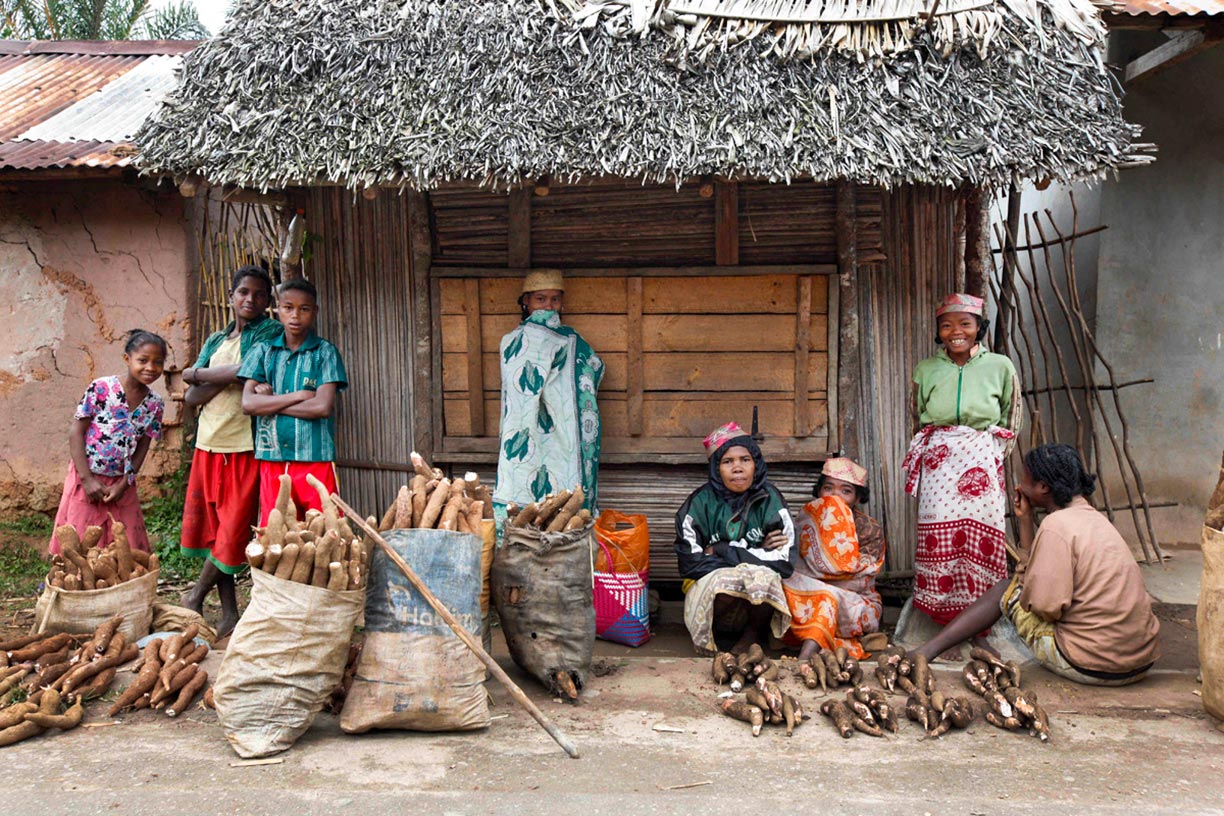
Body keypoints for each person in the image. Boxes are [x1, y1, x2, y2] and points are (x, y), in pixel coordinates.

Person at [913, 444, 1160, 685]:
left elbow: (1043, 607)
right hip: (1139, 662)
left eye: (1025, 480)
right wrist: (1026, 521)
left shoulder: (1057, 526)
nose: (1019, 485)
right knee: (1019, 588)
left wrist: (1023, 589)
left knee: (1003, 589)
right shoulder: (1096, 520)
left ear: (1043, 487)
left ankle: (926, 651)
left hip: (1091, 664)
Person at [902, 292, 1021, 652]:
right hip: (939, 459)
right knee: (938, 532)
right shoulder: (926, 369)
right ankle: (940, 619)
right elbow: (915, 415)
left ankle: (981, 624)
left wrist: (991, 454)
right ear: (939, 331)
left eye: (965, 324)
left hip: (982, 456)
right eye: (947, 325)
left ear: (979, 328)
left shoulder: (1001, 366)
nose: (956, 332)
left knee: (981, 533)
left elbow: (1011, 416)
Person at [179, 265, 282, 636]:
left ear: (268, 302)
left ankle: (194, 596)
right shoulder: (215, 339)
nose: (250, 300)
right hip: (210, 442)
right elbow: (191, 398)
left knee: (234, 530)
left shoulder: (270, 332)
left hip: (246, 444)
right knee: (216, 528)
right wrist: (219, 377)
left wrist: (198, 374)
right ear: (231, 296)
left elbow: (246, 371)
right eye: (243, 292)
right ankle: (228, 614)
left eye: (258, 294)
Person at [675, 422, 796, 655]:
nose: (737, 468)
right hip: (713, 603)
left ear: (756, 465)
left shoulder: (770, 500)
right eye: (727, 462)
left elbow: (785, 562)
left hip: (753, 607)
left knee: (763, 576)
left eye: (745, 460)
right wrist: (757, 553)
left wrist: (721, 549)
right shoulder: (698, 504)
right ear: (716, 469)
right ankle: (713, 641)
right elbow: (689, 563)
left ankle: (752, 637)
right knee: (730, 577)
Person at [493, 270, 603, 525]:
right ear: (526, 301)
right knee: (523, 471)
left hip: (565, 430)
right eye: (540, 299)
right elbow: (516, 384)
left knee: (565, 481)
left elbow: (591, 366)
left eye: (555, 299)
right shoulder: (513, 340)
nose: (548, 306)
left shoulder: (572, 339)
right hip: (525, 426)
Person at [238, 277, 347, 523]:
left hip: (315, 459)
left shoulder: (324, 353)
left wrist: (270, 403)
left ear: (314, 311)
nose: (295, 315)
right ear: (277, 309)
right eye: (288, 308)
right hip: (272, 457)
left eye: (304, 309)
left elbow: (321, 407)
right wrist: (297, 397)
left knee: (324, 528)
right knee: (274, 532)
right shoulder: (263, 351)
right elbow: (248, 405)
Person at [49, 330, 167, 555]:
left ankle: (119, 589)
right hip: (87, 477)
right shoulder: (102, 389)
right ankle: (77, 587)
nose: (150, 368)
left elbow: (143, 444)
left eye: (158, 362)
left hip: (121, 484)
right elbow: (76, 431)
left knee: (125, 544)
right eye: (143, 360)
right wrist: (87, 480)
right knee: (80, 541)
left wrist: (125, 482)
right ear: (127, 359)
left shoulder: (155, 404)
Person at [783, 457, 885, 660]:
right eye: (828, 488)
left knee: (825, 598)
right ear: (819, 491)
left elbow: (863, 578)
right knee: (784, 584)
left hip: (854, 595)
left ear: (857, 498)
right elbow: (793, 563)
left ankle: (805, 655)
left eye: (846, 491)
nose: (835, 496)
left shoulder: (869, 529)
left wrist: (822, 582)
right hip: (806, 586)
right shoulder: (807, 518)